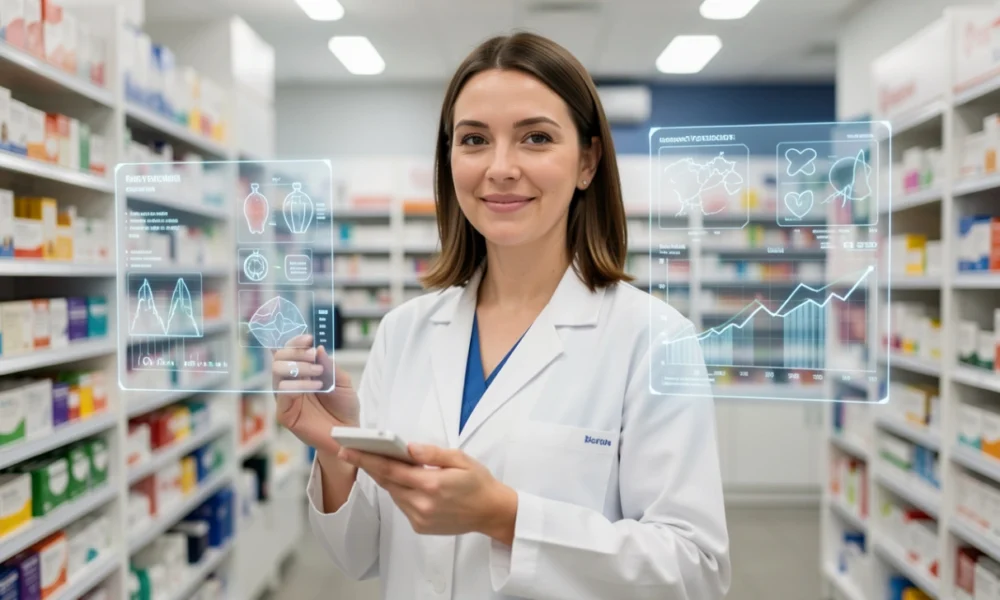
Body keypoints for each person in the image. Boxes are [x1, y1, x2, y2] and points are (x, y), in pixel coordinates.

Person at [272, 31, 731, 600]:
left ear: (587, 160)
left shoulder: (654, 338)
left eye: (536, 137)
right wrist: (336, 447)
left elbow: (695, 569)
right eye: (474, 140)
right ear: (450, 158)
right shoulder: (406, 331)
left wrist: (506, 517)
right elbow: (361, 553)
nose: (501, 167)